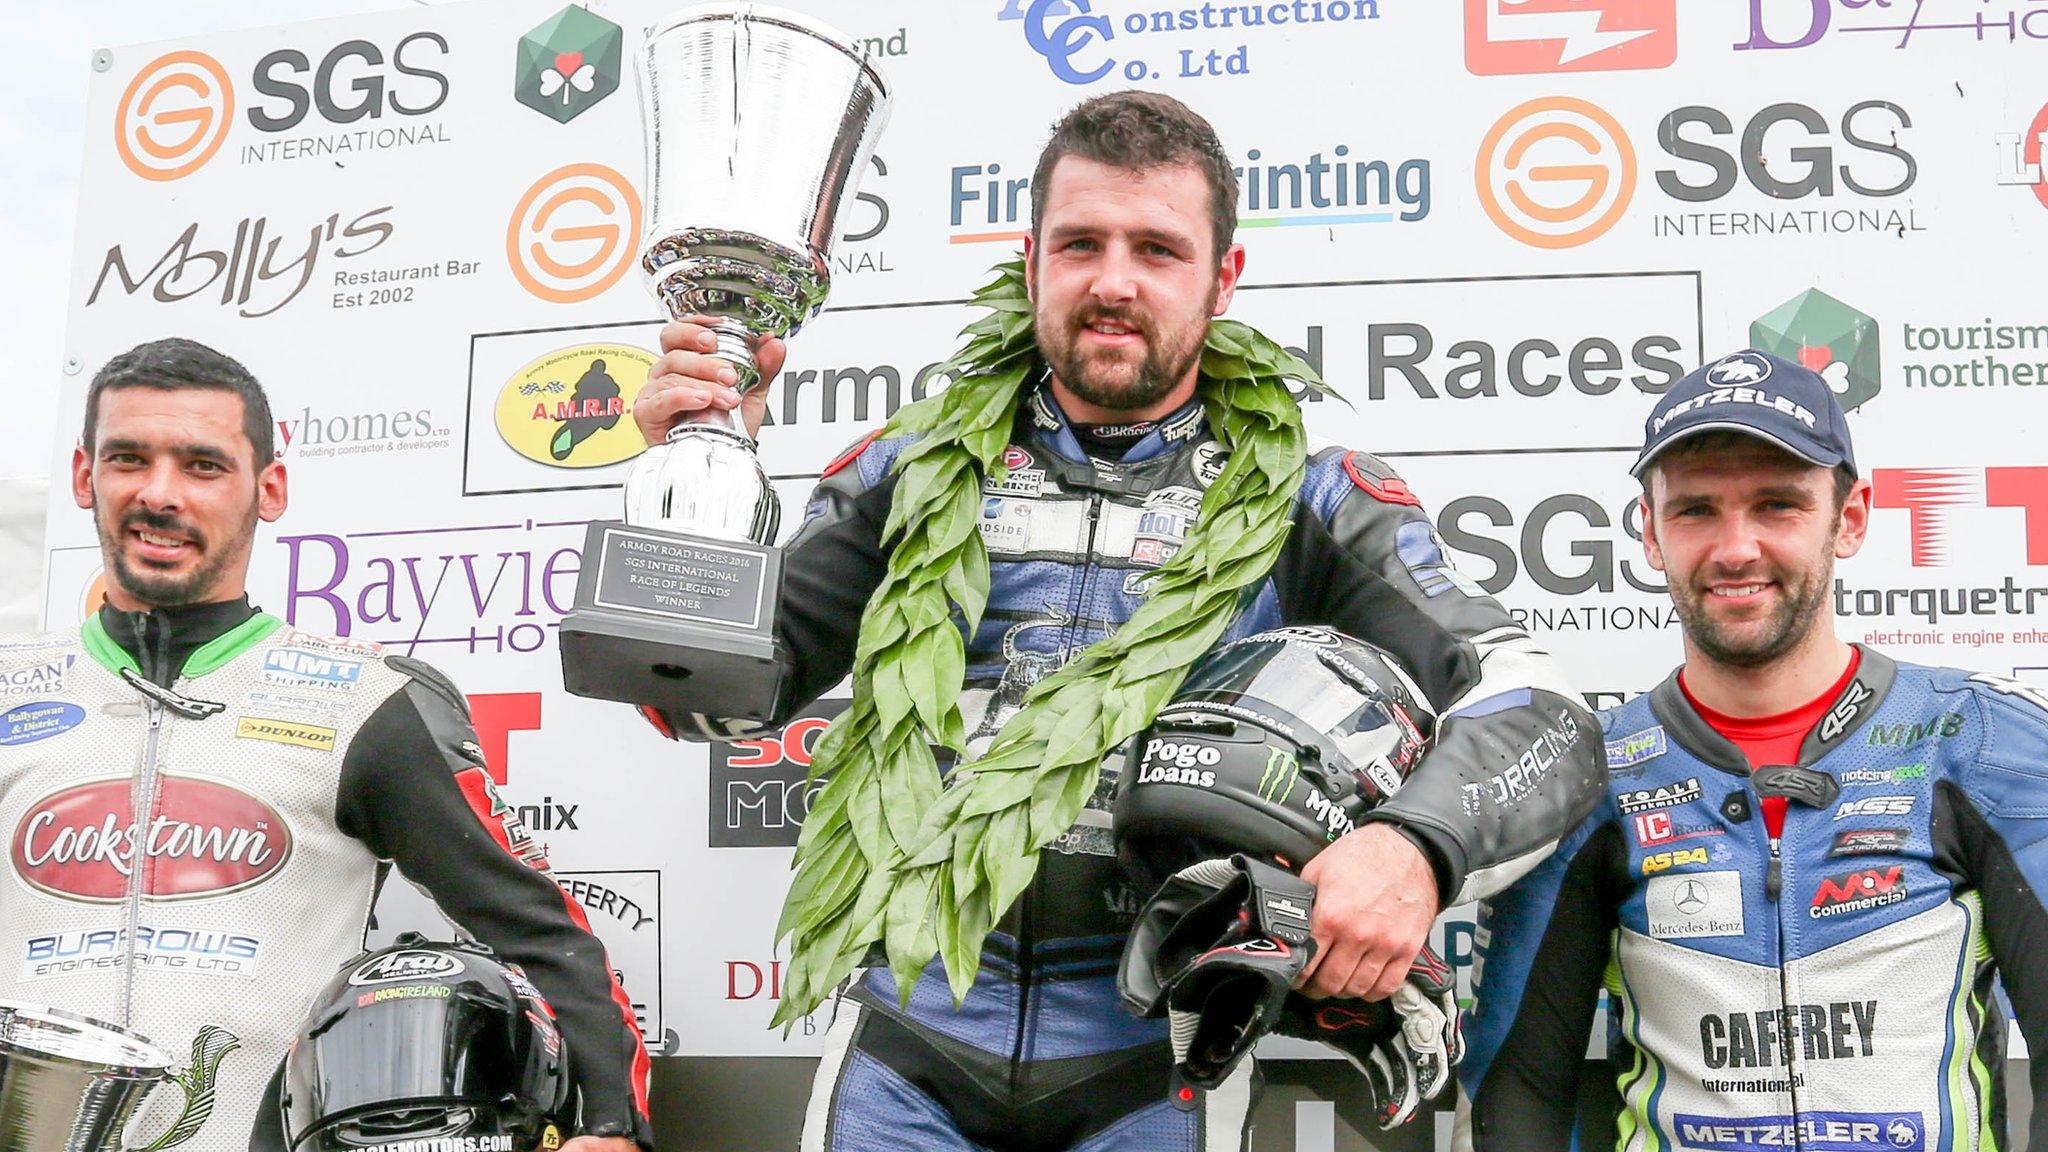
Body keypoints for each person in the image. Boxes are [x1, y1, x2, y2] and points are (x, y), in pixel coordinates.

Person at [633, 91, 1601, 1152]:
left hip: (1151, 1070)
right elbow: (700, 702)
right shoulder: (904, 471)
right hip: (905, 1058)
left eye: (1156, 248)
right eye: (1080, 243)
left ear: (1220, 281)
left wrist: (1413, 849)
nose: (1112, 282)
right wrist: (696, 480)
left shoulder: (1310, 500)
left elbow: (1543, 711)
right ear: (1031, 258)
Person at [0, 338, 651, 1152]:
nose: (159, 493)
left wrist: (612, 1126)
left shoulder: (364, 700)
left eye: (203, 466)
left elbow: (540, 931)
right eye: (128, 458)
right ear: (82, 476)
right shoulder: (11, 688)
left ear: (268, 489)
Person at [1460, 350, 2048, 1151]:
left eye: (1777, 505)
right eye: (1697, 510)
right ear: (1650, 530)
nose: (1736, 549)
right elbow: (1516, 1090)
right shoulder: (1588, 774)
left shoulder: (1980, 744)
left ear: (1850, 518)